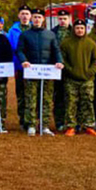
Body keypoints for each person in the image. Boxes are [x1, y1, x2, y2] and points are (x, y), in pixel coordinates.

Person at [16, 8, 64, 137]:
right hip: (31, 72)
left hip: (47, 72)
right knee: (31, 99)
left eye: (39, 17)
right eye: (35, 17)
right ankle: (31, 124)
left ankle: (44, 125)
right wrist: (24, 61)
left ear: (43, 19)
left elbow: (56, 50)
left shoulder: (50, 35)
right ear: (32, 19)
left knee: (47, 99)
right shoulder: (25, 34)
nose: (37, 20)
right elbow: (19, 50)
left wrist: (59, 61)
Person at [60, 19, 96, 137]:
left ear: (85, 29)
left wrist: (90, 72)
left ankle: (88, 126)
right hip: (71, 79)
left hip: (87, 79)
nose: (79, 30)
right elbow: (63, 60)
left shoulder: (91, 43)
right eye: (77, 28)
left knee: (87, 102)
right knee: (71, 103)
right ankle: (71, 126)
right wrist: (70, 71)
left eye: (82, 28)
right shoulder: (66, 43)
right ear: (74, 29)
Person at [7, 6, 32, 130]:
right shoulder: (13, 31)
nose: (25, 16)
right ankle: (23, 120)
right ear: (18, 16)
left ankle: (31, 119)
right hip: (19, 66)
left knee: (32, 94)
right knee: (21, 94)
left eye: (27, 13)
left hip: (33, 67)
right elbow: (10, 49)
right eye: (22, 13)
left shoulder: (35, 29)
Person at [51, 9, 72, 130]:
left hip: (71, 68)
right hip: (56, 69)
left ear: (69, 19)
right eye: (60, 19)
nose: (62, 21)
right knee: (58, 97)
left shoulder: (74, 31)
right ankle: (59, 122)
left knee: (71, 96)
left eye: (65, 19)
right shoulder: (53, 33)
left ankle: (71, 121)